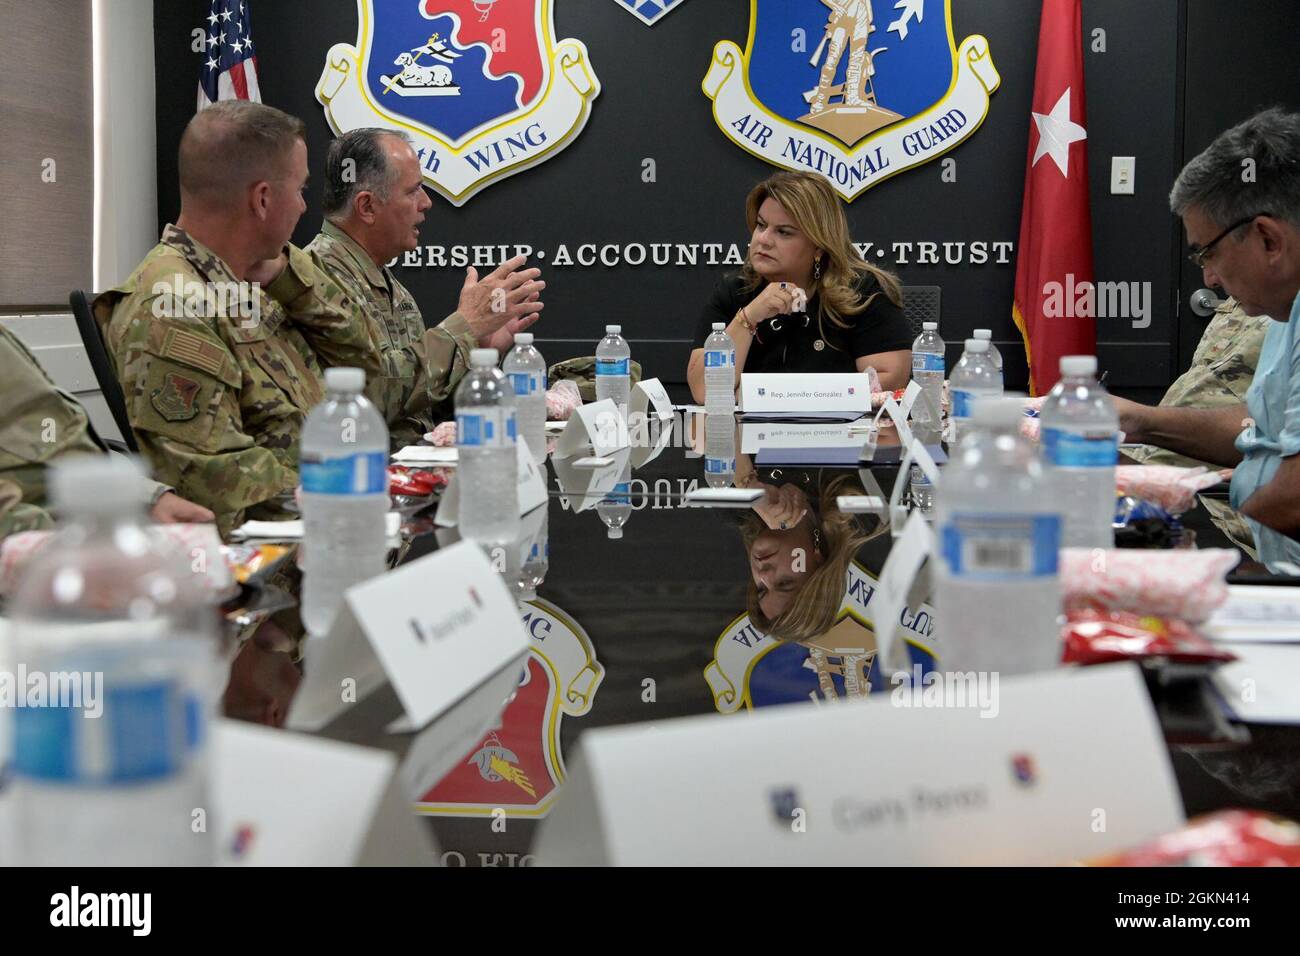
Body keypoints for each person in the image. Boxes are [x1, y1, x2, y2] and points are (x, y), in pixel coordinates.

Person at [94, 101, 380, 539]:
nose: (304, 207)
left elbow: (364, 363)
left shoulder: (250, 281)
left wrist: (292, 281)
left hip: (325, 532)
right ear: (262, 199)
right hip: (279, 569)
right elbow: (216, 482)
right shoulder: (173, 306)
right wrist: (345, 496)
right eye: (300, 190)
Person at [1113, 108, 1300, 570]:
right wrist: (1140, 421)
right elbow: (1262, 427)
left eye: (1206, 254)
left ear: (1268, 240)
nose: (1211, 279)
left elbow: (1291, 502)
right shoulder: (1283, 310)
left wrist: (1170, 507)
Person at [306, 128, 545, 447]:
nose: (427, 203)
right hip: (364, 482)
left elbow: (421, 407)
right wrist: (464, 327)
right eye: (413, 191)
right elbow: (369, 393)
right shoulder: (316, 276)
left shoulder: (389, 286)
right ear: (367, 206)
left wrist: (479, 349)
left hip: (413, 478)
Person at [688, 171, 912, 402]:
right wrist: (748, 318)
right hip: (747, 435)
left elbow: (888, 381)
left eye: (783, 232)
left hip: (840, 435)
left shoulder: (861, 292)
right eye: (761, 225)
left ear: (818, 245)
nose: (763, 239)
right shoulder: (736, 291)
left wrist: (764, 397)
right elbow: (704, 391)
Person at [0, 322, 213, 538]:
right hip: (50, 546)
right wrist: (67, 545)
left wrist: (147, 499)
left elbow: (51, 450)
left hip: (87, 531)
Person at [1125, 296, 1268, 556]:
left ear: (1274, 251)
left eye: (1209, 254)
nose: (1209, 279)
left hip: (1220, 513)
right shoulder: (1247, 300)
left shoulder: (1280, 310)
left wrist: (1145, 422)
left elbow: (1269, 431)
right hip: (1164, 486)